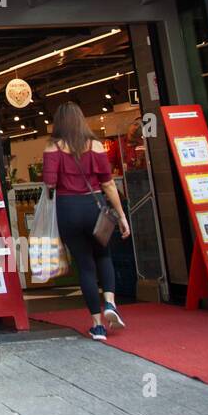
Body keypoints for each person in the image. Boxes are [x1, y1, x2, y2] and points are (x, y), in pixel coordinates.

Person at [42, 102, 131, 341]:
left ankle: (97, 325)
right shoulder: (96, 145)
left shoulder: (52, 148)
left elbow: (49, 184)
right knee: (103, 255)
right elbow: (108, 183)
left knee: (85, 265)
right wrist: (121, 215)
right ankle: (110, 304)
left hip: (68, 209)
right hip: (94, 207)